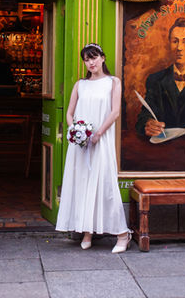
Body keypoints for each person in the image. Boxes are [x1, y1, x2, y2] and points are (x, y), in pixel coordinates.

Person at [56, 43, 132, 254]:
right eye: (87, 59)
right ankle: (87, 231)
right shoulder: (80, 85)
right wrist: (76, 131)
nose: (91, 62)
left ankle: (122, 234)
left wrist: (98, 133)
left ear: (103, 57)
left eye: (94, 57)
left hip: (101, 140)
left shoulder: (113, 82)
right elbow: (70, 113)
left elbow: (115, 112)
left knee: (106, 185)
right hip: (81, 145)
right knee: (83, 184)